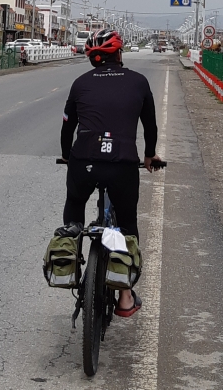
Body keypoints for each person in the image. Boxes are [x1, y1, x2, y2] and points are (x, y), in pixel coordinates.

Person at [59, 28, 162, 318]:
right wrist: (149, 154)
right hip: (122, 163)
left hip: (85, 161)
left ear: (93, 59)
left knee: (75, 206)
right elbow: (150, 126)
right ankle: (126, 296)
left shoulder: (80, 83)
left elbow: (68, 127)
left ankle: (71, 256)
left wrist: (68, 156)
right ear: (119, 54)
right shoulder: (139, 82)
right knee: (126, 224)